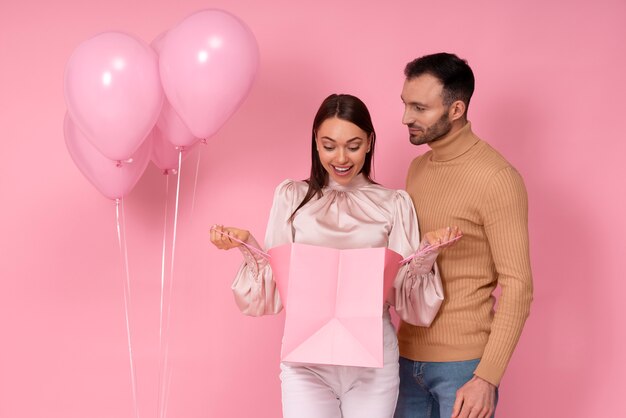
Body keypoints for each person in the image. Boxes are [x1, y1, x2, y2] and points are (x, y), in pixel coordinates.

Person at [210, 93, 461, 418]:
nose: (341, 157)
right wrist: (248, 246)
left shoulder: (394, 203)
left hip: (373, 359)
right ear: (315, 142)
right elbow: (275, 288)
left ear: (370, 142)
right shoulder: (292, 197)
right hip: (306, 360)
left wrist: (427, 253)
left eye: (353, 145)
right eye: (329, 145)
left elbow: (410, 300)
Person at [394, 53, 533, 418]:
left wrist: (487, 377)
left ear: (456, 110)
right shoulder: (417, 168)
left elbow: (518, 285)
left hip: (464, 368)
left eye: (419, 107)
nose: (406, 117)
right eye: (406, 104)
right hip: (403, 356)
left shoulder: (497, 177)